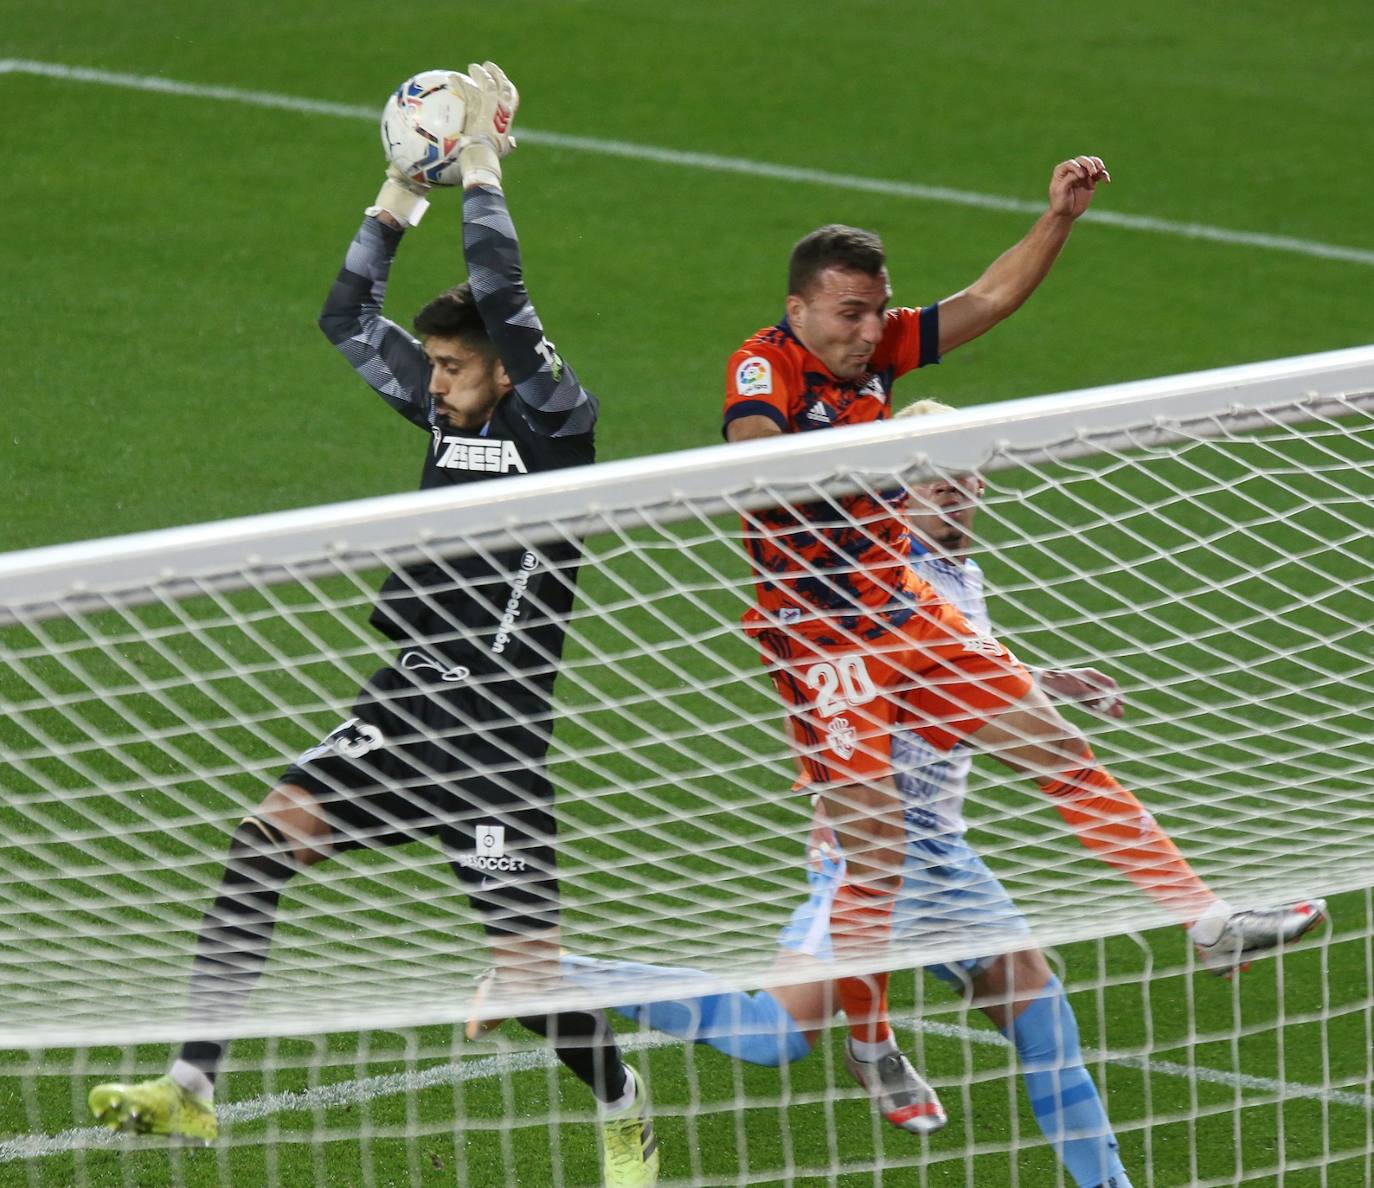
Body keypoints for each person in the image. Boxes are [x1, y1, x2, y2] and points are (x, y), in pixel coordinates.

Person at [87, 63, 659, 1188]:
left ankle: (626, 1109)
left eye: (453, 369)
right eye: (435, 369)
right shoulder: (450, 414)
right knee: (262, 842)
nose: (435, 385)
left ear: (506, 365)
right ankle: (191, 1085)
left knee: (531, 978)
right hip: (401, 710)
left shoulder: (557, 421)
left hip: (496, 744)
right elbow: (345, 316)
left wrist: (483, 163)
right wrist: (398, 195)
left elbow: (501, 283)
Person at [552, 400, 1327, 1188]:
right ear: (896, 493)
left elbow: (959, 671)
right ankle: (564, 975)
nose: (955, 491)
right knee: (772, 1038)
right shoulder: (881, 581)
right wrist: (1024, 703)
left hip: (944, 854)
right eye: (934, 479)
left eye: (967, 474)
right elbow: (919, 685)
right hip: (869, 858)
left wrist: (1040, 681)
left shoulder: (958, 577)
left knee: (1047, 1025)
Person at [719, 166, 1326, 1139]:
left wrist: (1056, 220)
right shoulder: (769, 367)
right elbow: (752, 465)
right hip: (823, 640)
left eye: (876, 313)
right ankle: (862, 1039)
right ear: (797, 309)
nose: (868, 332)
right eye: (846, 314)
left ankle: (1209, 923)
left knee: (1060, 757)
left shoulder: (880, 365)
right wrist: (841, 471)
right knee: (860, 882)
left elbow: (989, 299)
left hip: (898, 619)